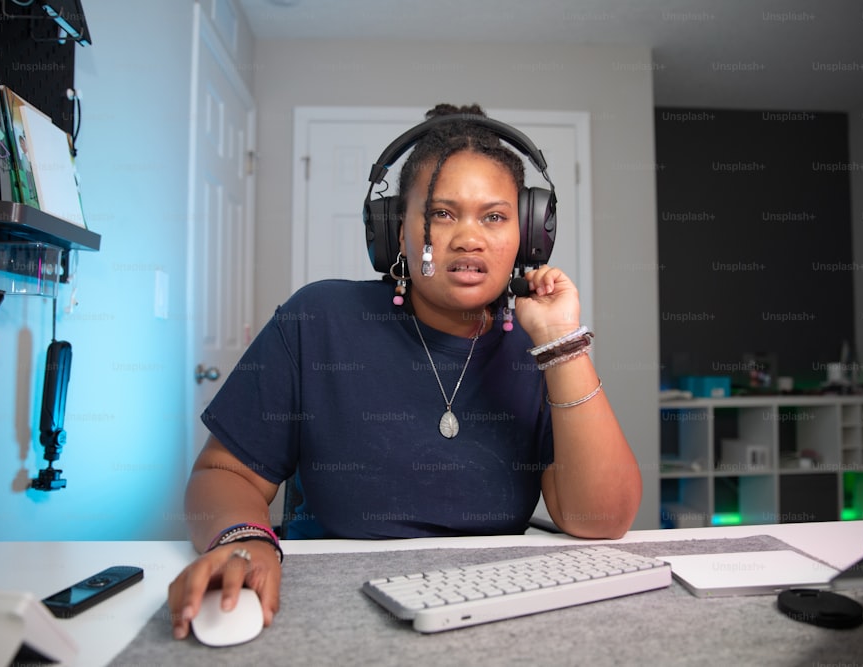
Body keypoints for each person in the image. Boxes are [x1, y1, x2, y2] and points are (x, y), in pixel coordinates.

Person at [168, 103, 642, 639]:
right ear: (395, 230)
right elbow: (222, 474)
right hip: (331, 607)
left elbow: (603, 520)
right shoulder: (319, 320)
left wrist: (563, 345)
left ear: (530, 235)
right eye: (442, 213)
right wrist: (242, 541)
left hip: (493, 609)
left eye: (494, 216)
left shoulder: (538, 347)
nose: (469, 237)